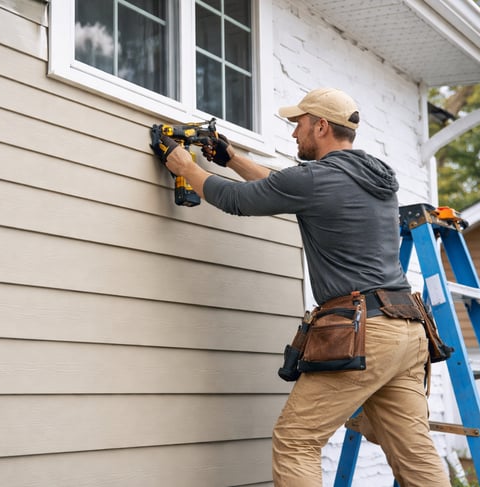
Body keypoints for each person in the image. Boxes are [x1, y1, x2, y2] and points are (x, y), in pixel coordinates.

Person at [151, 88, 451, 486]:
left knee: (296, 441)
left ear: (321, 126)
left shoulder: (317, 179)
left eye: (299, 125)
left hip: (367, 332)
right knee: (415, 452)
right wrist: (231, 158)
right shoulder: (374, 179)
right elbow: (283, 189)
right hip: (408, 330)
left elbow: (239, 200)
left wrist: (185, 166)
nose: (294, 135)